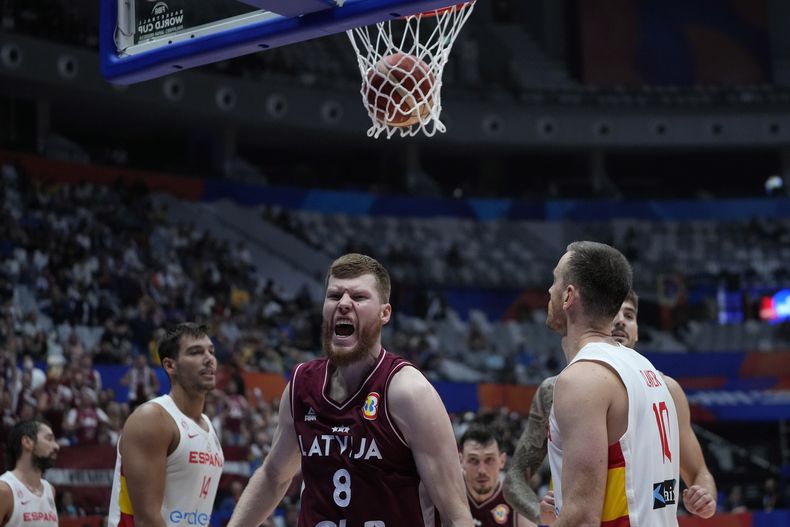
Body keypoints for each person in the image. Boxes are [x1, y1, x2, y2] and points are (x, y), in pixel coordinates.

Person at [228, 253, 473, 527]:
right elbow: (274, 476)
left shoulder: (408, 391)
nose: (344, 304)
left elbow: (456, 514)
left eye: (358, 297)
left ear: (385, 313)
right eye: (334, 296)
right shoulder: (301, 385)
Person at [504, 290, 717, 522]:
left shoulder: (668, 390)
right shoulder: (555, 390)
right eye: (612, 314)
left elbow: (699, 472)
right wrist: (539, 512)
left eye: (629, 315)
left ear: (637, 330)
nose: (620, 321)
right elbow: (515, 477)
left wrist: (705, 497)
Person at [544, 241, 679, 527]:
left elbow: (581, 518)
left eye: (555, 280)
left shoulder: (582, 379)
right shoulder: (646, 369)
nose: (549, 290)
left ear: (568, 296)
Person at [107, 323, 224, 527]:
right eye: (196, 352)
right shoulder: (152, 418)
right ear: (170, 366)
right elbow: (146, 519)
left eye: (211, 351)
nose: (209, 359)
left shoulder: (207, 425)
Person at [459, 425, 534, 527]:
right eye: (473, 460)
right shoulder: (447, 494)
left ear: (502, 461)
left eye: (489, 460)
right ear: (461, 461)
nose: (482, 470)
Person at [0, 420, 60, 527]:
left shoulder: (50, 490)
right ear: (27, 442)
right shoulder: (4, 490)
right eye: (49, 439)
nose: (56, 446)